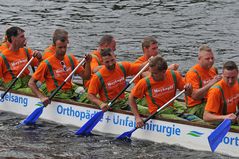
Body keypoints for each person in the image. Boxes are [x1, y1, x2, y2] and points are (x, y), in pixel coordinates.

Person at [129, 56, 193, 128]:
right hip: (158, 113)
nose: (151, 75)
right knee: (186, 123)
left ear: (163, 72)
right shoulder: (145, 82)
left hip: (172, 109)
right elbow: (131, 98)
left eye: (155, 73)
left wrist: (189, 89)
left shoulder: (174, 75)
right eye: (151, 72)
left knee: (197, 120)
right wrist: (137, 118)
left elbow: (188, 94)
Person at [28, 35, 92, 106]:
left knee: (90, 97)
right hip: (56, 94)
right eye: (60, 47)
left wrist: (88, 63)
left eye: (64, 47)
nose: (63, 50)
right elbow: (31, 83)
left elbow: (86, 77)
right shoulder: (46, 63)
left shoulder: (71, 59)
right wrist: (42, 97)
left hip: (70, 91)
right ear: (54, 47)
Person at [0, 26, 42, 93]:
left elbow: (41, 67)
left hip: (27, 82)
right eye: (22, 37)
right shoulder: (2, 57)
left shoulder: (26, 51)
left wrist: (40, 58)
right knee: (39, 92)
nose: (25, 39)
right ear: (13, 38)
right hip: (14, 86)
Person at [185, 44, 222, 119]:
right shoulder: (192, 73)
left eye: (212, 58)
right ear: (199, 59)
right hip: (196, 107)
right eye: (207, 59)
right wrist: (212, 83)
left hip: (210, 102)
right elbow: (195, 96)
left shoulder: (213, 69)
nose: (211, 61)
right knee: (222, 109)